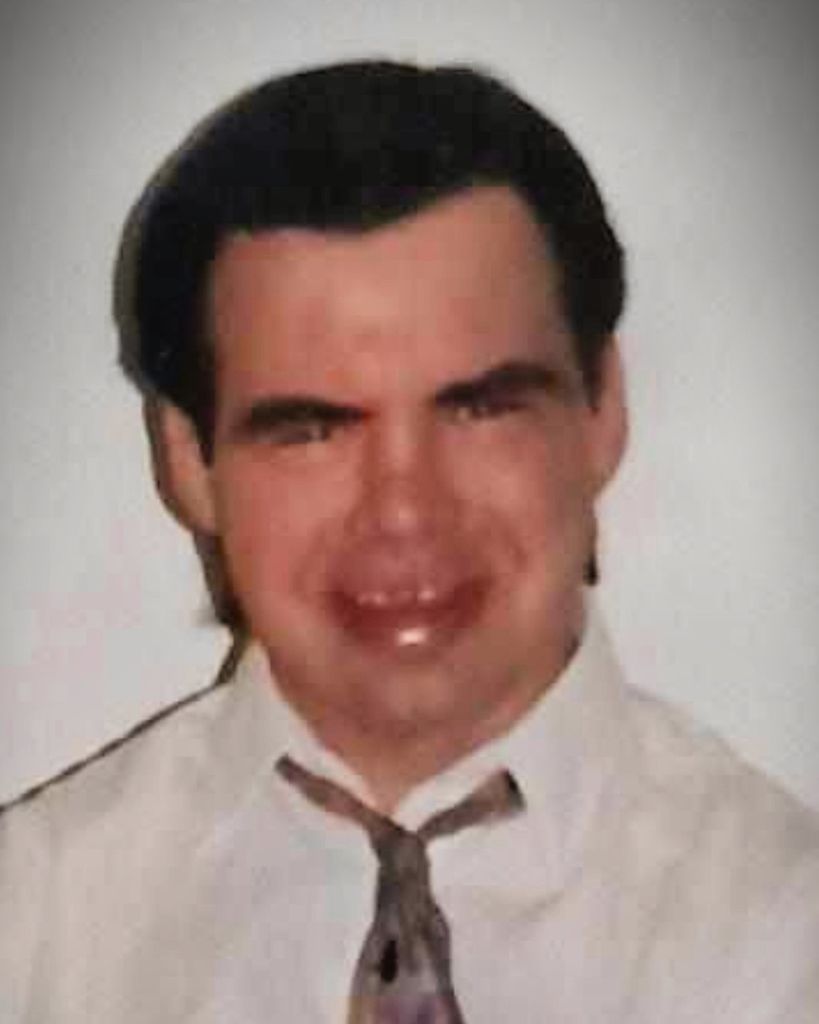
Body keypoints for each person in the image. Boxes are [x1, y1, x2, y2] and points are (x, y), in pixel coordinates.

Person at [1, 60, 817, 1022]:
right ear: (188, 461)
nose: (404, 511)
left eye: (478, 409)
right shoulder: (33, 934)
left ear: (602, 412)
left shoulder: (788, 938)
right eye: (312, 429)